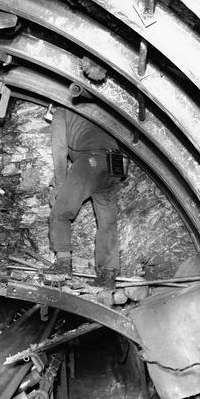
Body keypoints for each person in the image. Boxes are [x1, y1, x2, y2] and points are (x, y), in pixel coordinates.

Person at [48, 107, 125, 293]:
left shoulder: (61, 111)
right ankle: (107, 275)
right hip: (115, 162)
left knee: (60, 212)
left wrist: (59, 185)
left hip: (90, 159)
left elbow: (59, 148)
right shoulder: (100, 107)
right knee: (107, 223)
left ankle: (63, 265)